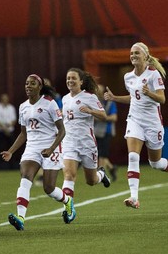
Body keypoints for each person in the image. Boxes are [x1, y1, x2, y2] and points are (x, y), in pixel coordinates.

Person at [1, 74, 74, 230]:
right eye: (26, 83)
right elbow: (23, 133)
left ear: (40, 87)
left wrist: (52, 148)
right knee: (25, 178)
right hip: (32, 148)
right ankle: (20, 217)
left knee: (48, 188)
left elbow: (62, 130)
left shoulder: (50, 104)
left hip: (50, 146)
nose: (28, 86)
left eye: (32, 83)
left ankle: (68, 202)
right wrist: (11, 151)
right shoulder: (23, 107)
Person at [104, 42, 167, 209]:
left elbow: (162, 99)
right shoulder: (128, 77)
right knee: (133, 156)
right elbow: (134, 98)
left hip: (152, 122)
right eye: (131, 53)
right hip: (135, 120)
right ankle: (134, 198)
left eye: (136, 53)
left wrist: (150, 93)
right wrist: (114, 97)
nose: (133, 56)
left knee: (156, 163)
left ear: (145, 56)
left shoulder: (154, 75)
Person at [61, 68, 111, 222]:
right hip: (69, 143)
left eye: (73, 78)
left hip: (87, 144)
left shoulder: (89, 97)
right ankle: (69, 210)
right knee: (69, 175)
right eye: (68, 78)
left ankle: (101, 175)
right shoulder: (64, 99)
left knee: (91, 181)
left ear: (81, 81)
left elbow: (104, 116)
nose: (70, 81)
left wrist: (90, 111)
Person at [94, 84, 118, 181]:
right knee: (98, 153)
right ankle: (111, 168)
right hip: (96, 131)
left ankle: (101, 173)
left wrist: (104, 118)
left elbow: (114, 117)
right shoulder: (94, 102)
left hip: (106, 130)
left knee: (103, 154)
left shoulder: (109, 103)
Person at [0, 93, 17, 169]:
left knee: (12, 148)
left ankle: (12, 166)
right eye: (3, 99)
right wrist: (5, 129)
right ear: (1, 99)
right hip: (1, 132)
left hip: (10, 132)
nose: (5, 100)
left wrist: (8, 128)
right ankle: (0, 166)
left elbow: (14, 120)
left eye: (6, 98)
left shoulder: (11, 108)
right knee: (0, 149)